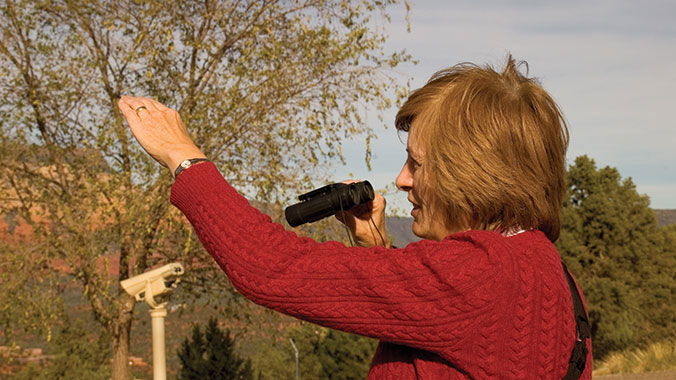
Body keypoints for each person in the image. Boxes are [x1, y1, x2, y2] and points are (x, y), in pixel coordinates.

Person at [118, 56, 592, 379]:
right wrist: (376, 246)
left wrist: (184, 157)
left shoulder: (483, 275)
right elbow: (449, 335)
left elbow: (271, 268)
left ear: (472, 174)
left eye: (418, 163)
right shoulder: (546, 270)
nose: (403, 180)